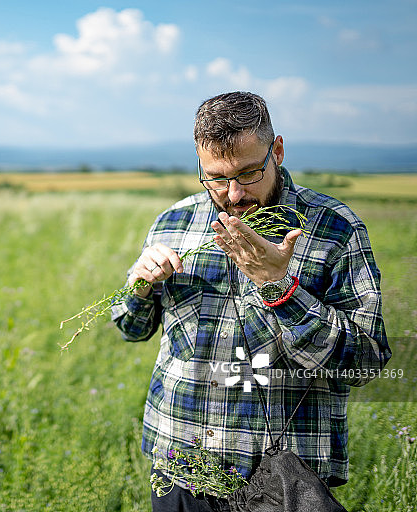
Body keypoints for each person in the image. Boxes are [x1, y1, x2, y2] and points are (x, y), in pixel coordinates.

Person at [111, 91, 390, 511]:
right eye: (216, 178)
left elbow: (365, 361)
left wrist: (279, 286)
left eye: (248, 173)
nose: (234, 194)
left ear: (276, 151)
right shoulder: (173, 221)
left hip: (281, 480)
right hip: (179, 466)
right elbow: (131, 328)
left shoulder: (334, 229)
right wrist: (139, 286)